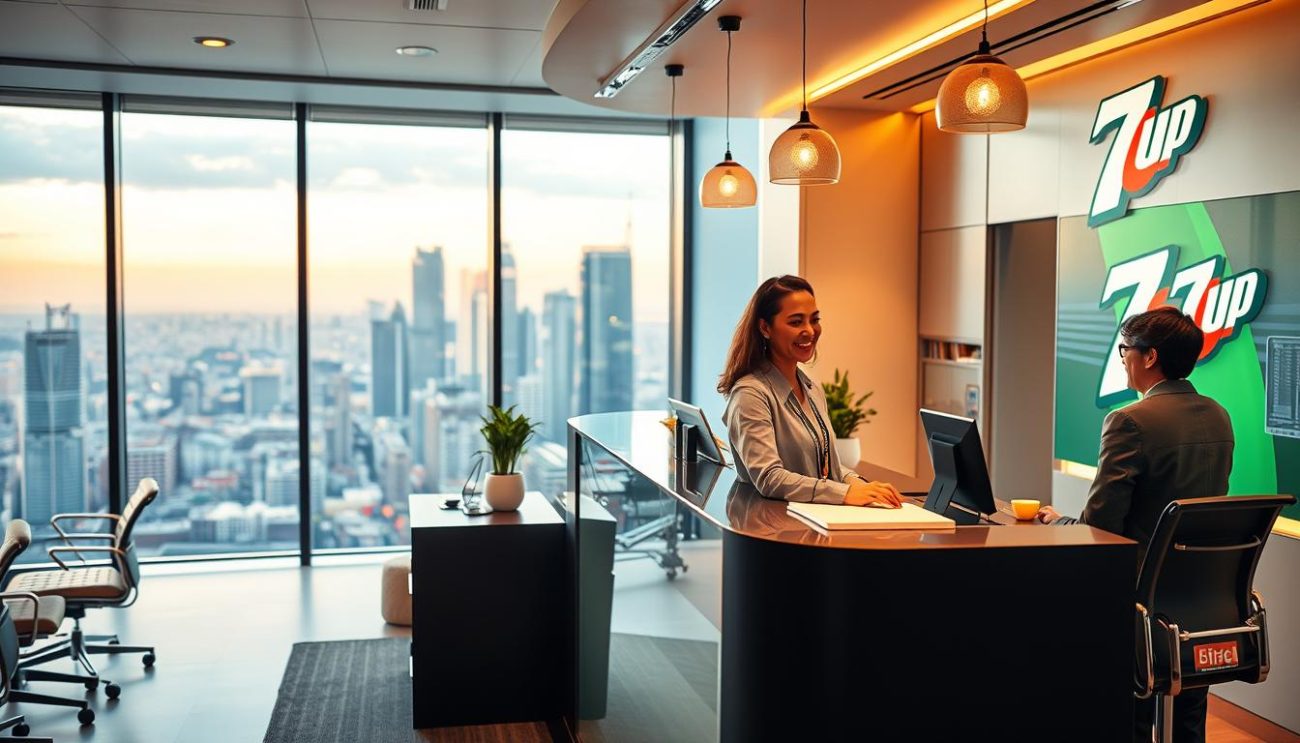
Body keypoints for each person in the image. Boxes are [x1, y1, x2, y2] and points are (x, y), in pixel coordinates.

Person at [1037, 305, 1234, 743]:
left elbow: (1101, 527)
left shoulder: (1129, 421)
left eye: (1125, 349)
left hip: (1141, 600)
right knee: (1186, 711)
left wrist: (1056, 520)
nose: (1122, 358)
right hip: (1199, 600)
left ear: (1150, 357)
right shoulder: (1219, 415)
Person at [719, 275, 901, 508]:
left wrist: (858, 484)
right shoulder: (751, 394)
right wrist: (843, 494)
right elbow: (769, 478)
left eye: (814, 320)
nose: (810, 331)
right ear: (765, 328)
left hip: (816, 523)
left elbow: (824, 465)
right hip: (772, 531)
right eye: (796, 322)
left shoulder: (811, 388)